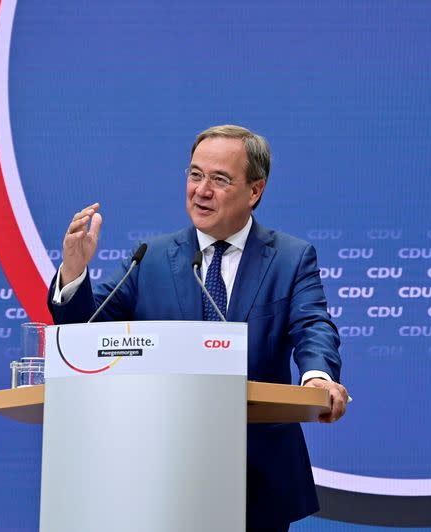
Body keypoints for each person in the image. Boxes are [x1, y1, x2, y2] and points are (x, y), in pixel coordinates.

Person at [47, 124, 348, 530]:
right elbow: (83, 333)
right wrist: (74, 270)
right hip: (157, 472)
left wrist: (316, 377)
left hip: (255, 475)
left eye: (219, 179)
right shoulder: (149, 258)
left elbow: (312, 325)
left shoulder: (290, 258)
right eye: (195, 174)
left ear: (255, 190)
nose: (201, 190)